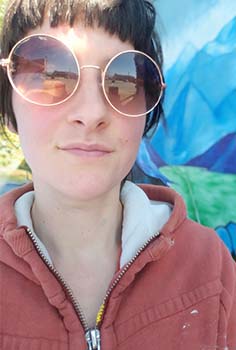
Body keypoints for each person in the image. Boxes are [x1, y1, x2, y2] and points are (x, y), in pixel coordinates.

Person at [0, 1, 235, 349]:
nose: (92, 113)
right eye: (51, 74)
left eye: (123, 79)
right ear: (10, 109)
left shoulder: (209, 265)